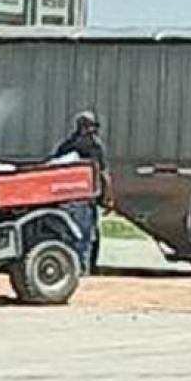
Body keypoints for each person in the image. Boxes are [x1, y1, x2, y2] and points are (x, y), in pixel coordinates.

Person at [51, 110, 110, 272]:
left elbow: (54, 168)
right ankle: (82, 271)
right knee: (84, 238)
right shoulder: (95, 146)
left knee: (70, 237)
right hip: (83, 200)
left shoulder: (66, 146)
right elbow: (104, 173)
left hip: (66, 199)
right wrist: (108, 197)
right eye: (92, 126)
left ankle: (71, 270)